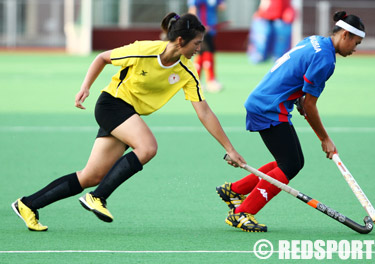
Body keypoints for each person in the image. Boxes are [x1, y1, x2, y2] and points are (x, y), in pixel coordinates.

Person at [11, 12, 246, 232]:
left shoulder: (187, 70)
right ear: (181, 40)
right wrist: (85, 88)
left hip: (128, 115)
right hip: (111, 105)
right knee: (147, 147)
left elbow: (204, 112)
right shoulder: (144, 50)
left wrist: (230, 149)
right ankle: (98, 197)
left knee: (91, 175)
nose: (199, 48)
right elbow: (102, 58)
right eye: (196, 43)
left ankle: (28, 204)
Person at [218, 11, 365, 232]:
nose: (355, 49)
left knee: (287, 161)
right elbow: (309, 105)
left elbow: (297, 78)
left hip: (265, 100)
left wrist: (298, 99)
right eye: (356, 42)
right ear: (345, 34)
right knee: (291, 164)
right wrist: (325, 139)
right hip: (270, 107)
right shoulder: (326, 60)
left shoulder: (315, 40)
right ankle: (242, 213)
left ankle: (235, 190)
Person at [187, 0, 226, 93]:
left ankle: (196, 81)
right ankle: (210, 80)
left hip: (211, 27)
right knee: (208, 50)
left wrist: (221, 3)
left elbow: (221, 4)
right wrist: (196, 25)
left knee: (201, 52)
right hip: (201, 27)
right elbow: (192, 8)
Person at [247, 0, 295, 64]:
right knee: (263, 36)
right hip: (267, 15)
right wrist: (259, 12)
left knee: (281, 38)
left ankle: (278, 57)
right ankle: (259, 55)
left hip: (281, 16)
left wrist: (290, 11)